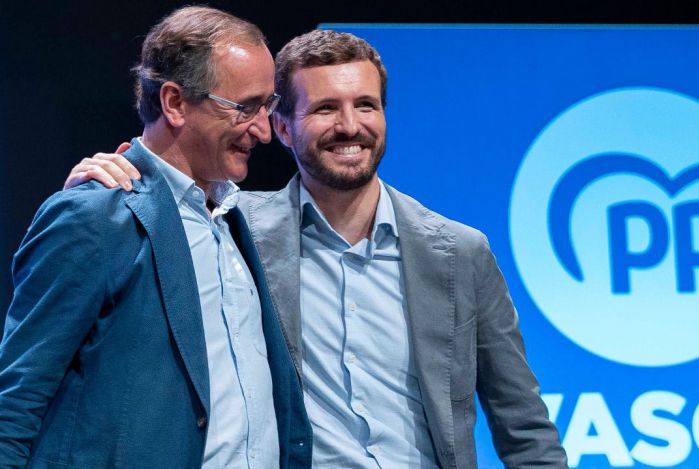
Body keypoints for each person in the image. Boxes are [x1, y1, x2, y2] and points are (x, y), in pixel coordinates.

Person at [63, 30, 567, 468]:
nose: (350, 126)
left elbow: (523, 423)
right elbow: (152, 204)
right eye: (326, 108)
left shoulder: (459, 251)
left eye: (365, 105)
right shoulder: (233, 231)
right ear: (281, 127)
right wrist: (96, 185)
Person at [0, 7, 310, 468]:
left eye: (268, 106)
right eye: (245, 107)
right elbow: (17, 399)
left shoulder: (234, 217)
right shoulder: (93, 216)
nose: (264, 130)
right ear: (174, 103)